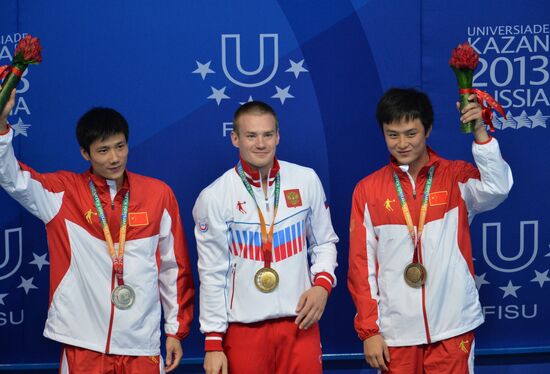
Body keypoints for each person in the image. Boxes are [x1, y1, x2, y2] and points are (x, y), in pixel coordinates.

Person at [0, 89, 194, 373]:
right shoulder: (63, 193)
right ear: (85, 153)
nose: (115, 158)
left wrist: (175, 330)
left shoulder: (158, 194)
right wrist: (2, 127)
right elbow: (13, 179)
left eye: (120, 146)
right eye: (103, 150)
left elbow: (173, 268)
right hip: (83, 344)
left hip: (141, 345)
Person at [348, 88, 513, 373]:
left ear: (428, 130)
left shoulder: (455, 177)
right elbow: (361, 268)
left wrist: (480, 133)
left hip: (453, 327)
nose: (402, 143)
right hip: (395, 334)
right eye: (393, 134)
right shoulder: (368, 190)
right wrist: (369, 331)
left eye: (411, 133)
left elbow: (498, 188)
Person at [193, 101, 338, 374]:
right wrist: (213, 343)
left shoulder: (306, 180)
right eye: (251, 136)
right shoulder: (214, 197)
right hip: (243, 331)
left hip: (300, 325)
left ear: (278, 136)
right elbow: (211, 273)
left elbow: (324, 242)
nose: (261, 143)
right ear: (235, 138)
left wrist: (322, 285)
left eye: (267, 135)